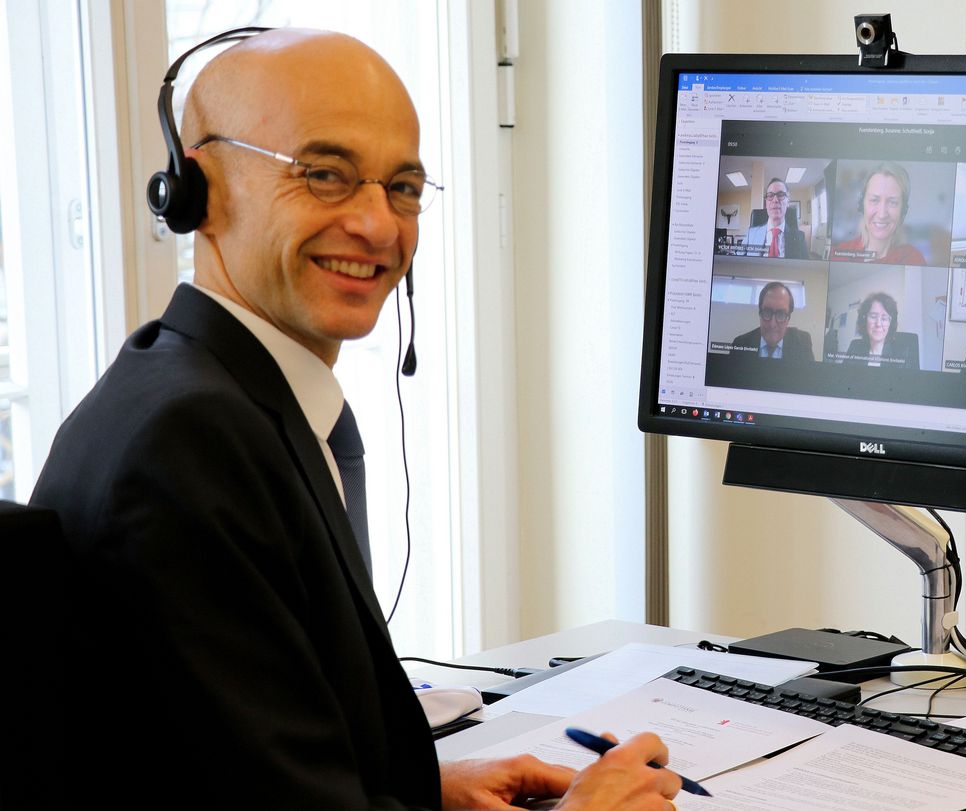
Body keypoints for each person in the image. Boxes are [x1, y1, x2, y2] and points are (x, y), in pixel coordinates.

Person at [30, 29, 679, 810]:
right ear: (198, 192)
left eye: (403, 187)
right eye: (327, 175)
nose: (379, 226)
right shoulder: (189, 447)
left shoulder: (206, 392)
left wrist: (417, 791)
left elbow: (239, 764)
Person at [831, 162, 927, 265]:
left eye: (892, 202)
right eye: (874, 200)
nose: (882, 215)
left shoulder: (913, 259)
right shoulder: (839, 254)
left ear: (903, 211)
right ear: (862, 206)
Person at [731, 281, 814, 361]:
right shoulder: (740, 344)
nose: (772, 324)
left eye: (781, 314)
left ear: (788, 318)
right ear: (760, 313)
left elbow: (809, 375)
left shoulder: (803, 343)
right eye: (767, 312)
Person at [842, 291, 919, 368]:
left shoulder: (903, 354)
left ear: (890, 323)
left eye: (884, 318)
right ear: (864, 319)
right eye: (873, 316)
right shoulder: (854, 347)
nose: (878, 324)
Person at [743, 178, 808, 258]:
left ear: (788, 202)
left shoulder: (799, 238)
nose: (775, 200)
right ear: (766, 203)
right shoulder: (751, 234)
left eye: (780, 195)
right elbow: (738, 264)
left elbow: (804, 269)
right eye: (770, 195)